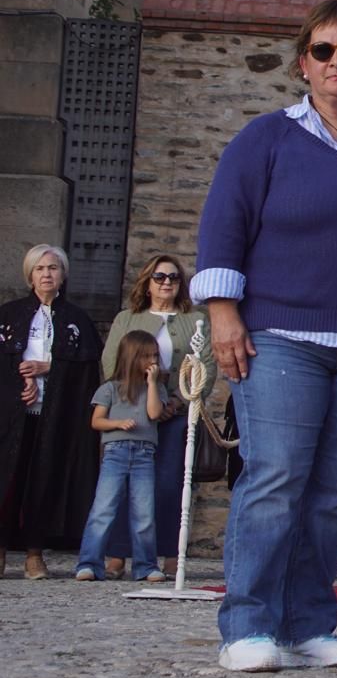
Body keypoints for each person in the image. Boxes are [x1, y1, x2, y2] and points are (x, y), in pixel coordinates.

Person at [192, 0, 337, 672]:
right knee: (276, 478)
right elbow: (222, 226)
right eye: (323, 51)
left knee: (332, 494)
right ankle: (247, 627)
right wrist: (223, 313)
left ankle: (305, 623)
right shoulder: (265, 139)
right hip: (280, 337)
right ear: (303, 64)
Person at [100, 254, 213, 580]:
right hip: (131, 414)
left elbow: (205, 365)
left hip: (176, 413)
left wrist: (176, 403)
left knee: (168, 483)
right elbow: (110, 364)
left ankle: (168, 552)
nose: (167, 283)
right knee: (124, 481)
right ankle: (118, 552)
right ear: (147, 282)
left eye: (174, 278)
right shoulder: (128, 318)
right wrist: (129, 402)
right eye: (160, 277)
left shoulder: (196, 320)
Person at [0, 244, 103, 580]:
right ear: (30, 275)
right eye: (40, 268)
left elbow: (87, 371)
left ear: (63, 275)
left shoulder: (76, 320)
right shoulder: (9, 315)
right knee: (8, 479)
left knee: (44, 480)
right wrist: (20, 387)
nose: (47, 274)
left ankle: (34, 552)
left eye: (53, 268)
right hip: (13, 416)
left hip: (56, 416)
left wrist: (49, 368)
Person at [74, 330, 168, 581]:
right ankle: (89, 563)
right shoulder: (110, 389)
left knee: (144, 513)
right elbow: (97, 421)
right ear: (131, 357)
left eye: (155, 356)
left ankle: (146, 566)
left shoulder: (157, 388)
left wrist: (151, 384)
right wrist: (118, 423)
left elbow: (154, 413)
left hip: (144, 454)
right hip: (115, 453)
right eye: (146, 356)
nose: (153, 361)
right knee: (103, 509)